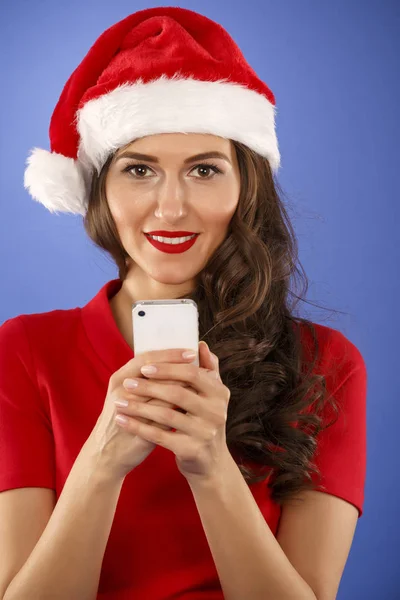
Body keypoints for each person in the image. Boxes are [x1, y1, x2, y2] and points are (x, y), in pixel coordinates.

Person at [0, 6, 367, 600]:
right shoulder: (23, 351)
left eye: (204, 169)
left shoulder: (326, 362)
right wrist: (103, 462)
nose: (171, 209)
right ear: (99, 192)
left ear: (246, 187)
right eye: (139, 169)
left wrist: (210, 465)